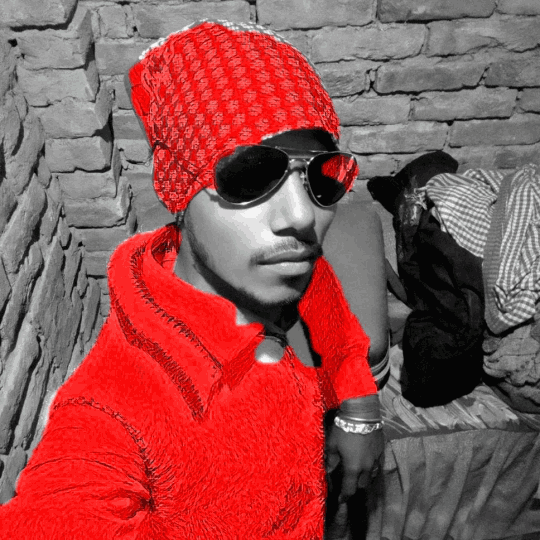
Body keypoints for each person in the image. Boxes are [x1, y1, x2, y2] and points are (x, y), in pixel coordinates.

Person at [0, 20, 384, 539]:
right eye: (250, 175)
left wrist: (358, 404)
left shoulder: (272, 262)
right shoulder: (111, 409)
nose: (301, 216)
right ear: (179, 191)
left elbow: (316, 281)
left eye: (319, 175)